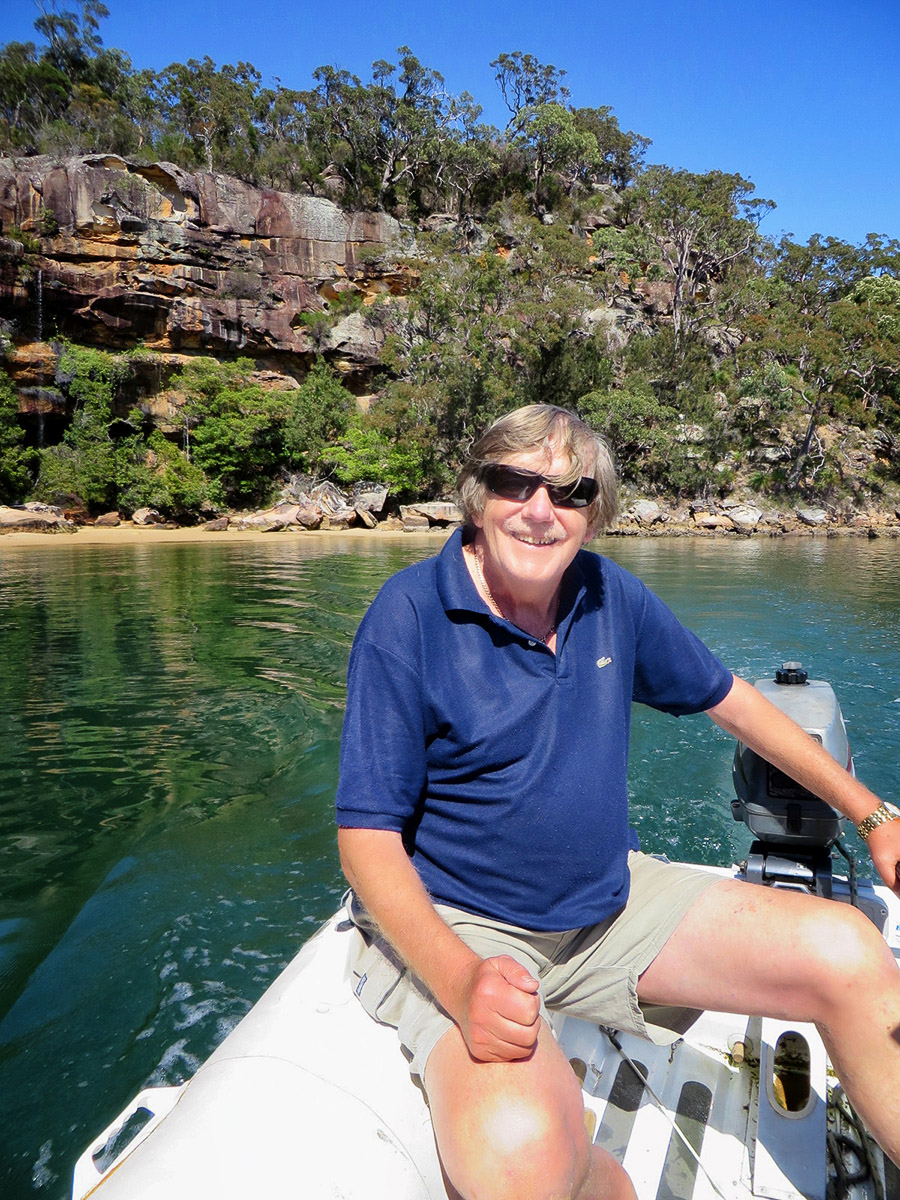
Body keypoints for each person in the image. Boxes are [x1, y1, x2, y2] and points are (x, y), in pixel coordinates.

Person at [336, 403, 900, 1200]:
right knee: (520, 1160)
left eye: (570, 492)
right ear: (477, 494)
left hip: (608, 903)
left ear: (595, 513)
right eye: (515, 483)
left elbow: (733, 702)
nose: (540, 511)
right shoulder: (408, 618)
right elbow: (366, 840)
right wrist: (462, 983)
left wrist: (874, 815)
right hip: (464, 921)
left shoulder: (607, 596)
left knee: (850, 952)